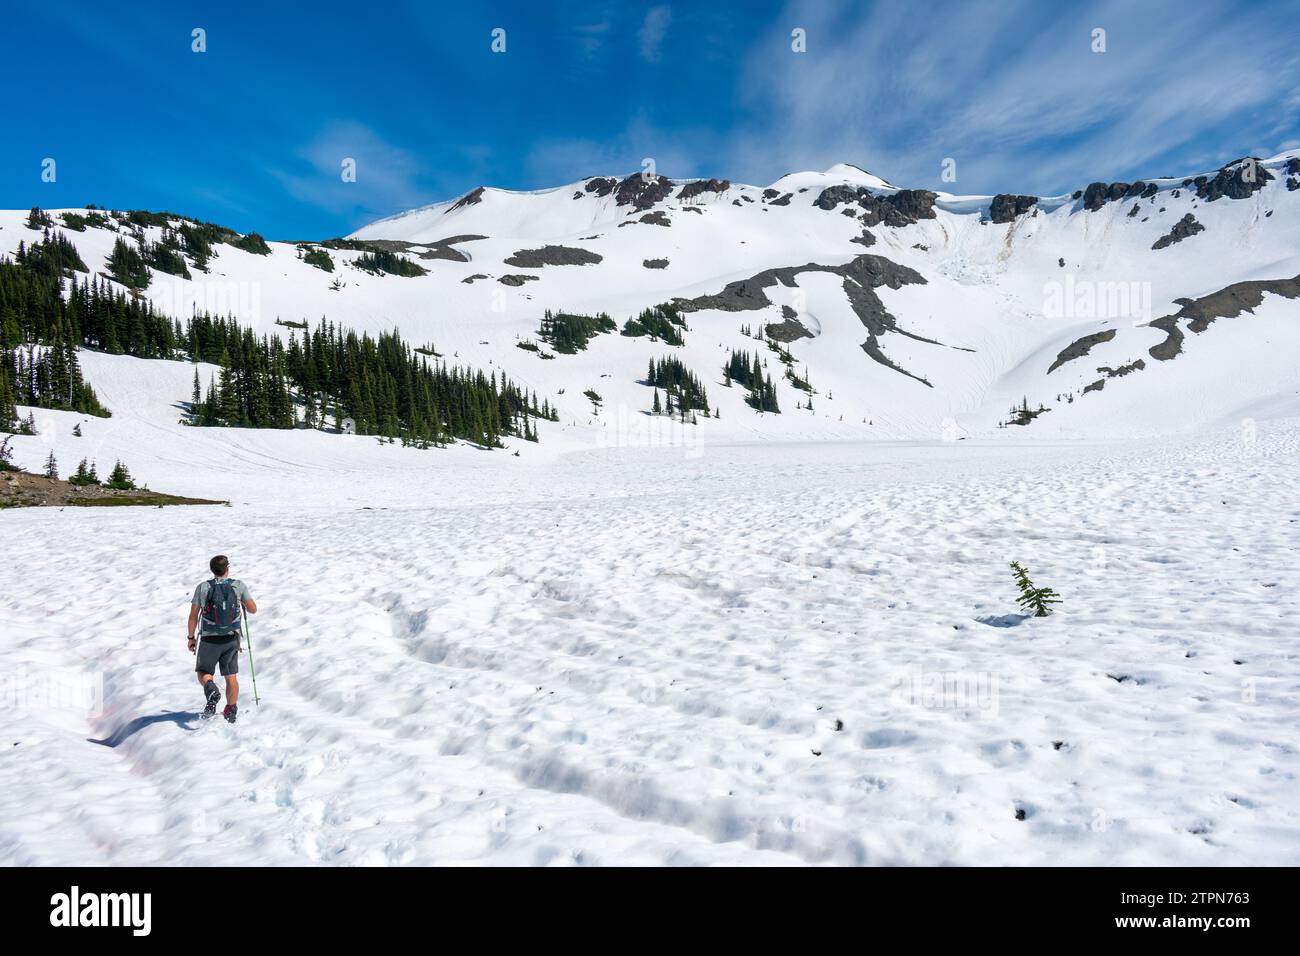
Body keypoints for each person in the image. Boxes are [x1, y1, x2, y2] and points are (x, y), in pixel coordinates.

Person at [187, 555, 257, 723]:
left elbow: (193, 616)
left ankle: (210, 688)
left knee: (203, 672)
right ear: (228, 568)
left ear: (212, 569)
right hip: (231, 639)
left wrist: (191, 638)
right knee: (231, 675)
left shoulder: (203, 587)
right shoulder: (238, 586)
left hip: (209, 639)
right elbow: (253, 609)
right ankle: (231, 710)